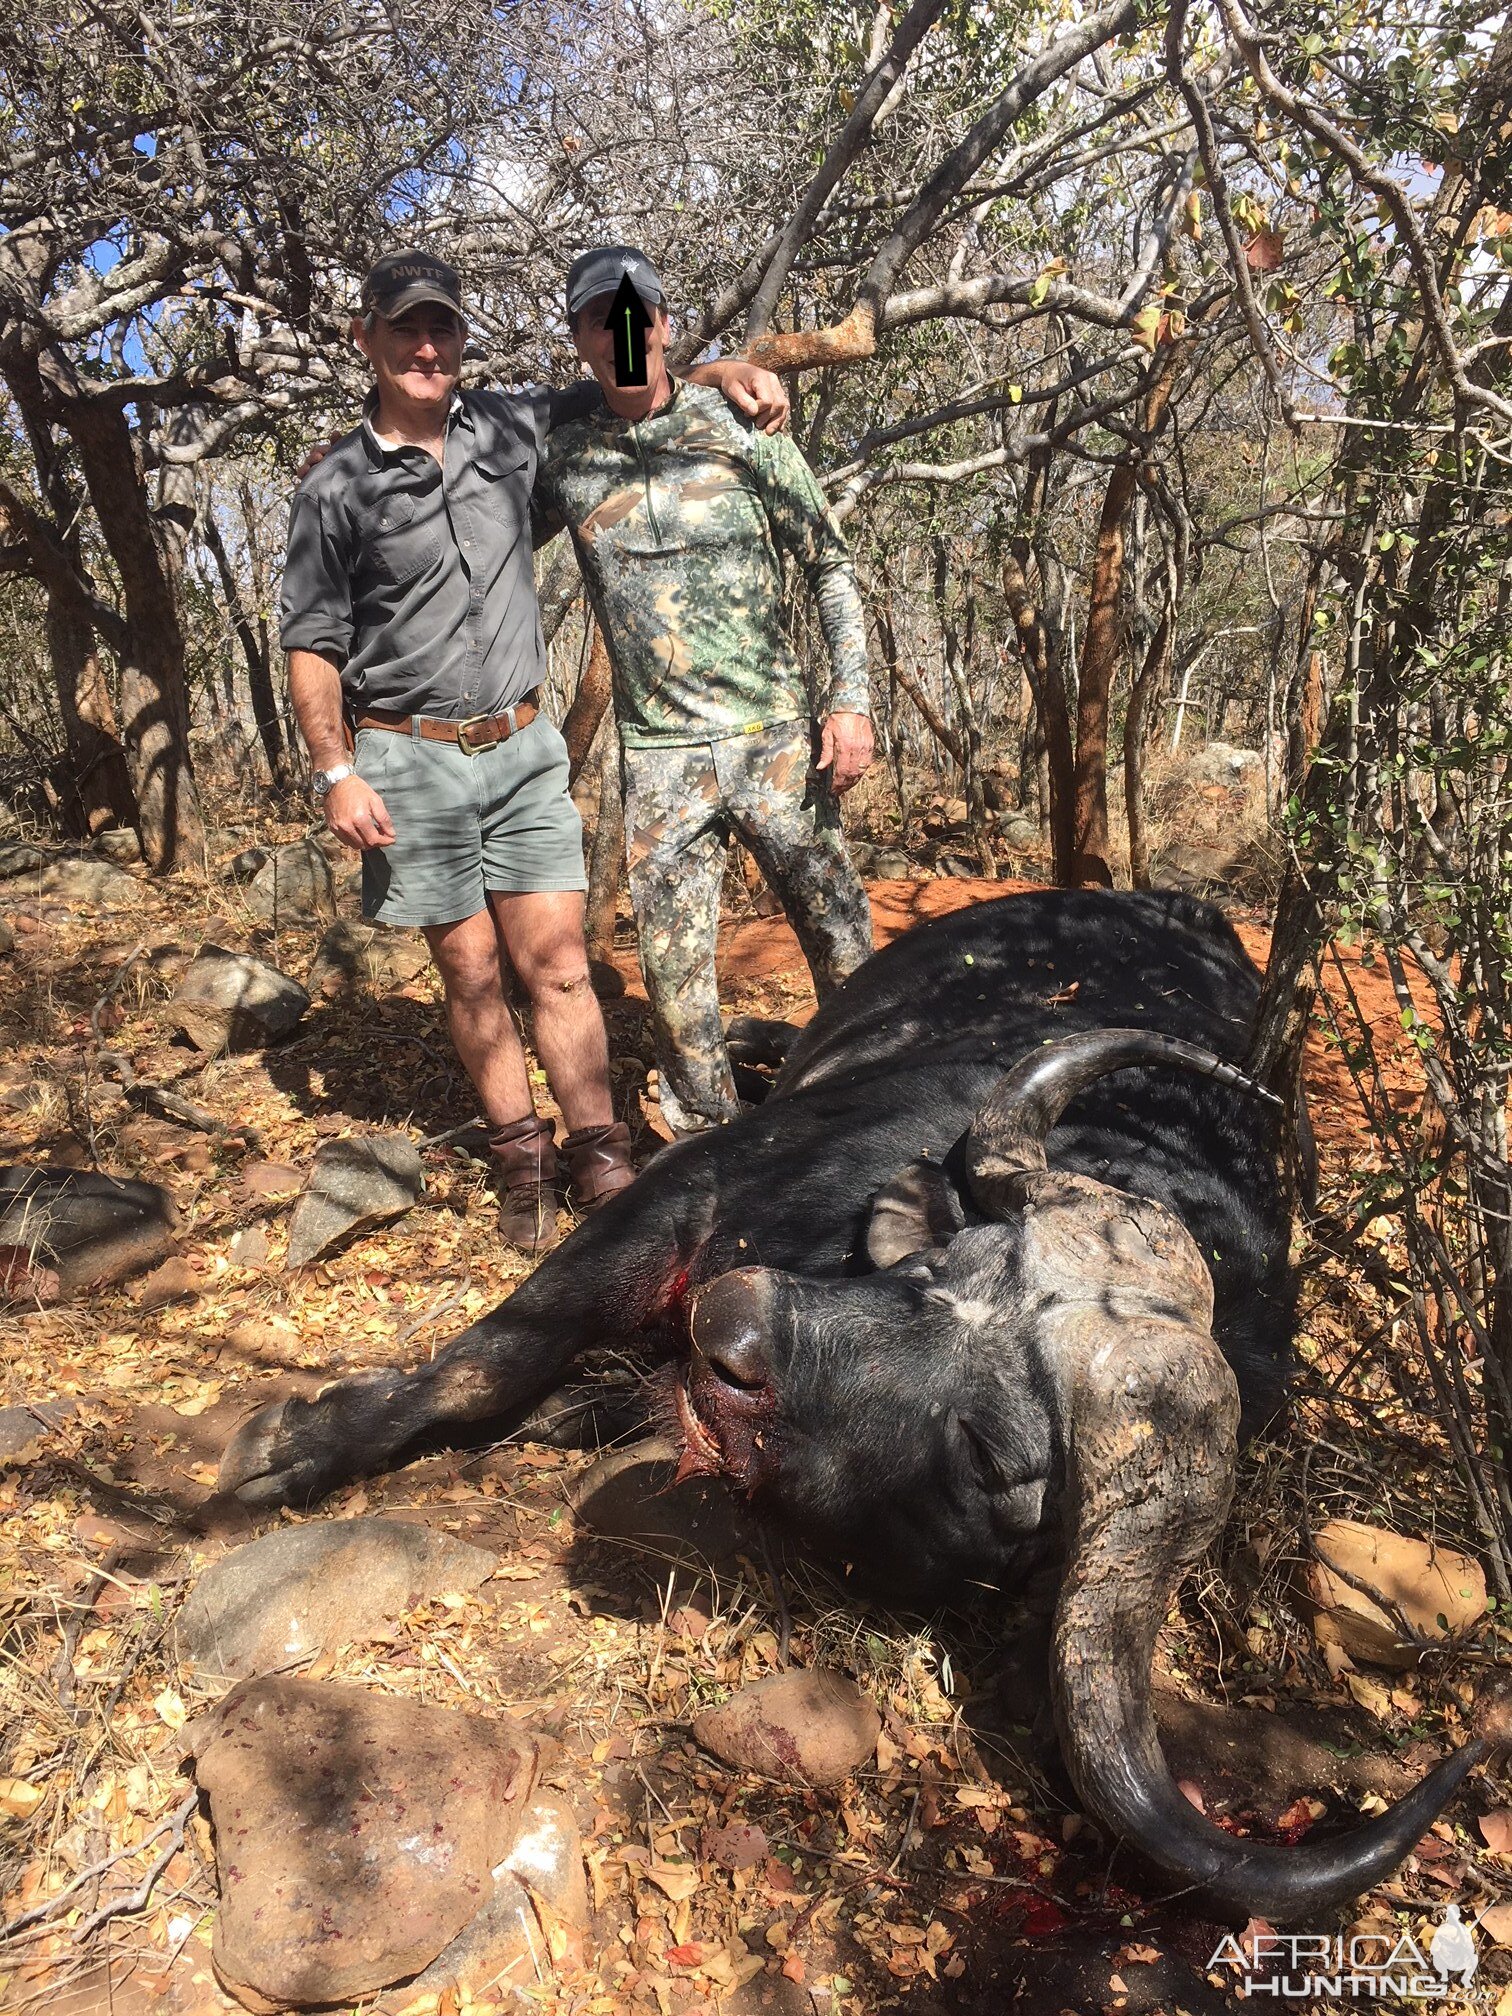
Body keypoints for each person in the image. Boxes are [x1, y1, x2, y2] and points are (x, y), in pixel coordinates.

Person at [280, 247, 788, 1246]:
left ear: (464, 338)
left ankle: (599, 1150)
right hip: (404, 754)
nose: (427, 347)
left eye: (443, 328)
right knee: (471, 970)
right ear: (367, 341)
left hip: (519, 746)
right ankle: (522, 1155)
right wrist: (334, 769)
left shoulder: (514, 427)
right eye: (404, 329)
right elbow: (311, 644)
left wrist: (730, 369)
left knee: (555, 962)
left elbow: (632, 377)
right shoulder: (333, 488)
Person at [535, 245, 876, 1134]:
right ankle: (711, 1165)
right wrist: (355, 466)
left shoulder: (741, 425)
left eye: (636, 312)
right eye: (600, 319)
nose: (622, 332)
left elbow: (830, 568)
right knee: (677, 989)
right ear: (578, 339)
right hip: (658, 763)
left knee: (842, 945)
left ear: (665, 322)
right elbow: (463, 506)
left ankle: (873, 1112)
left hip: (775, 741)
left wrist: (851, 704)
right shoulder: (565, 457)